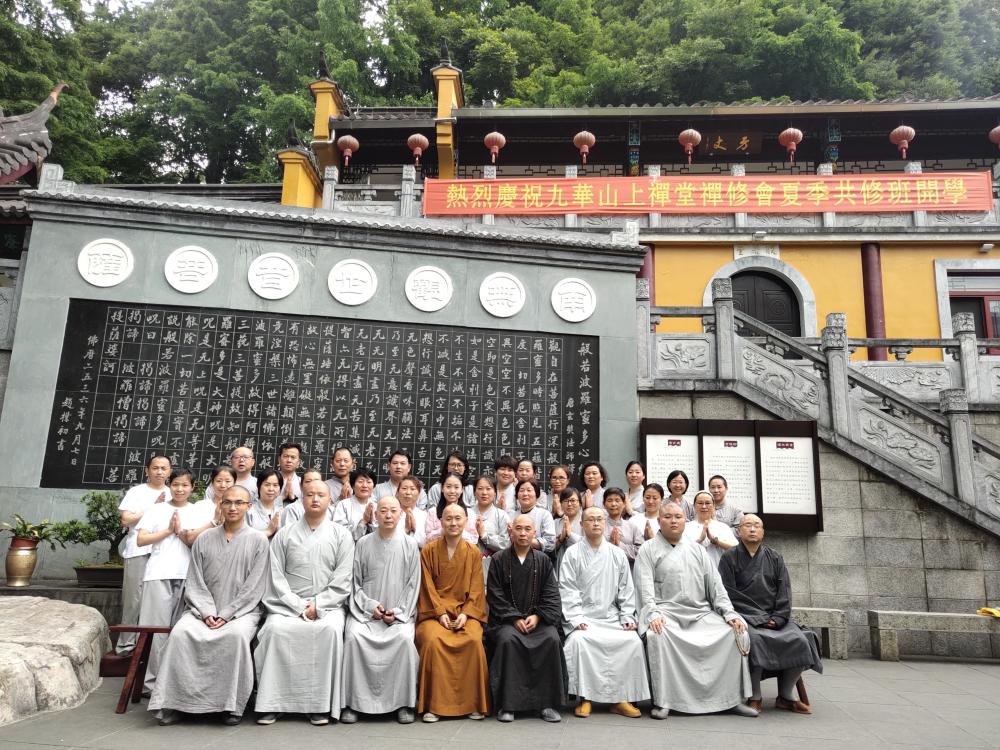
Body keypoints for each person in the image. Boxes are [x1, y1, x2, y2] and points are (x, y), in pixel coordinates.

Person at [150, 486, 269, 726]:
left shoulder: (258, 540)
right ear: (220, 506)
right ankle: (175, 702)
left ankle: (230, 706)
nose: (233, 507)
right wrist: (207, 613)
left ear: (249, 507)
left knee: (235, 638)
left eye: (239, 503)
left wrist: (225, 614)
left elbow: (254, 586)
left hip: (240, 613)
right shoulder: (205, 538)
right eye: (227, 502)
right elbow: (195, 581)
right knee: (181, 634)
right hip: (201, 610)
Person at [634, 502, 755, 720]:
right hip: (666, 613)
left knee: (735, 633)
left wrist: (729, 613)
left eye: (678, 517)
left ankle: (731, 699)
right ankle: (665, 700)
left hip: (700, 613)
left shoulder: (698, 550)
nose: (673, 521)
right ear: (659, 520)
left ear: (685, 521)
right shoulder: (648, 549)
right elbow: (644, 588)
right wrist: (652, 614)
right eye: (668, 517)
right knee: (657, 635)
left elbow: (716, 587)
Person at [254, 482, 354, 726]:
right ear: (302, 499)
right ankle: (272, 703)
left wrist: (319, 605)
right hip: (287, 605)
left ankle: (318, 705)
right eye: (310, 494)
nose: (315, 499)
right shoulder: (285, 534)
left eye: (321, 495)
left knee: (329, 630)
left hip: (327, 606)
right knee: (275, 630)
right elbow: (275, 576)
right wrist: (297, 606)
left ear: (331, 500)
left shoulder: (342, 535)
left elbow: (343, 577)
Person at [719, 514, 822, 715]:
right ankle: (755, 696)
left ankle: (785, 695)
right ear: (739, 531)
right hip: (745, 617)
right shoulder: (729, 557)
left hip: (774, 617)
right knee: (755, 641)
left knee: (802, 639)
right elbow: (726, 592)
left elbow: (785, 591)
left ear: (763, 532)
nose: (752, 529)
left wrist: (778, 618)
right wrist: (755, 618)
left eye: (757, 525)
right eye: (747, 525)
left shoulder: (775, 557)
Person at [560, 506, 649, 719]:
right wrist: (576, 618)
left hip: (611, 616)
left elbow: (627, 590)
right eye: (591, 519)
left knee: (632, 642)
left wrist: (627, 616)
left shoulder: (617, 554)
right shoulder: (572, 554)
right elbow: (567, 588)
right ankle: (585, 698)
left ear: (605, 523)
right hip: (584, 617)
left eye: (600, 519)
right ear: (581, 525)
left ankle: (621, 699)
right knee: (579, 642)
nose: (596, 523)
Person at [341, 496, 421, 725]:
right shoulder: (363, 543)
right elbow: (354, 583)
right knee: (353, 637)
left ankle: (403, 703)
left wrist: (397, 612)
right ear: (375, 515)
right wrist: (369, 606)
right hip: (366, 614)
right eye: (383, 511)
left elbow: (413, 584)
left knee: (405, 639)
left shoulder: (410, 544)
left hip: (398, 615)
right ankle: (353, 702)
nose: (387, 515)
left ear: (401, 515)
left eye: (393, 511)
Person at [485, 513, 566, 723]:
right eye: (518, 529)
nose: (522, 533)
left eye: (527, 529)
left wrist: (538, 617)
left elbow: (551, 594)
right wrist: (513, 618)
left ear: (534, 533)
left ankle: (546, 704)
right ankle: (507, 705)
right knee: (507, 640)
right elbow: (494, 594)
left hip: (537, 620)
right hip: (507, 622)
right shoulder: (498, 559)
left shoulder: (543, 560)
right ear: (510, 531)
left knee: (551, 639)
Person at [415, 503, 490, 722]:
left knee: (474, 640)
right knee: (432, 641)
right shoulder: (428, 550)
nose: (453, 523)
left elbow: (477, 588)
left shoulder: (473, 552)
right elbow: (426, 587)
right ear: (440, 521)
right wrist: (439, 613)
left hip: (465, 612)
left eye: (458, 518)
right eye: (448, 518)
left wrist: (467, 614)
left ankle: (473, 704)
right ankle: (433, 705)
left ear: (466, 521)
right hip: (434, 614)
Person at [135, 468, 200, 693]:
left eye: (185, 485)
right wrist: (169, 531)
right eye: (176, 484)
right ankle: (150, 684)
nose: (180, 489)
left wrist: (184, 534)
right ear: (169, 485)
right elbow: (141, 539)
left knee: (181, 632)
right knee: (156, 631)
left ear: (192, 488)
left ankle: (174, 684)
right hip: (159, 573)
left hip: (187, 575)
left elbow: (198, 543)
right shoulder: (157, 510)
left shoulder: (196, 511)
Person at [116, 454, 171, 655]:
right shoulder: (137, 492)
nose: (159, 472)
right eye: (155, 468)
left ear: (169, 472)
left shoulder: (173, 492)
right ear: (147, 470)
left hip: (163, 552)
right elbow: (126, 519)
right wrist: (152, 508)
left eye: (164, 468)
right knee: (133, 599)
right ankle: (126, 644)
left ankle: (148, 646)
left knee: (155, 600)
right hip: (138, 550)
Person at [683, 490, 738, 568]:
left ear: (713, 506)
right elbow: (679, 550)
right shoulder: (686, 527)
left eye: (708, 503)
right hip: (692, 571)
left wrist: (717, 542)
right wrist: (699, 540)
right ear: (694, 506)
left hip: (718, 571)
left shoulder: (722, 527)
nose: (704, 506)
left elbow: (736, 549)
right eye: (700, 503)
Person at [183, 466, 236, 544]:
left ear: (234, 483)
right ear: (212, 483)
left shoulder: (241, 508)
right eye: (219, 481)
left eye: (228, 481)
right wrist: (214, 521)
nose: (223, 485)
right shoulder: (200, 506)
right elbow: (190, 538)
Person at [470, 475, 510, 578]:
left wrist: (484, 536)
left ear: (495, 492)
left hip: (494, 568)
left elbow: (506, 544)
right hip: (469, 565)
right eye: (480, 489)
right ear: (474, 492)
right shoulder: (467, 513)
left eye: (488, 489)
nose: (484, 493)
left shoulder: (502, 515)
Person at [425, 471, 479, 545]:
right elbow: (428, 538)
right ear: (442, 488)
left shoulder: (470, 513)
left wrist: (457, 531)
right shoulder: (432, 512)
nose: (452, 491)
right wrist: (443, 530)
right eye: (448, 487)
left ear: (462, 489)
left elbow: (474, 540)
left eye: (456, 487)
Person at [511, 478, 556, 553]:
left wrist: (522, 539)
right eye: (521, 490)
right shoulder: (511, 515)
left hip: (537, 560)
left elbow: (550, 543)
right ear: (517, 495)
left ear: (537, 494)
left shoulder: (544, 514)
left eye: (529, 490)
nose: (525, 494)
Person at [333, 467, 378, 541]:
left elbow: (382, 533)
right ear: (353, 485)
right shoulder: (343, 505)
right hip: (350, 549)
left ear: (374, 486)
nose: (364, 485)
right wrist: (363, 522)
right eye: (360, 481)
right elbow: (339, 532)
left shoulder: (377, 507)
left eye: (369, 482)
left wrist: (371, 522)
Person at [602, 487, 643, 563]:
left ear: (624, 504)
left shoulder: (632, 526)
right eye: (609, 500)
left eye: (617, 500)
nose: (613, 504)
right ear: (604, 504)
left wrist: (619, 545)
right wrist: (609, 545)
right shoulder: (599, 526)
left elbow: (641, 552)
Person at [553, 486, 583, 571]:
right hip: (561, 564)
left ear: (580, 503)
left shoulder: (586, 521)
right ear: (561, 504)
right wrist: (560, 539)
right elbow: (550, 548)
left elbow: (590, 544)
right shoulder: (555, 523)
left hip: (581, 564)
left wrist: (571, 535)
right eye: (565, 501)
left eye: (573, 500)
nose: (569, 504)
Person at [246, 468, 282, 538]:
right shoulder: (249, 511)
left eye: (275, 485)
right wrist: (268, 532)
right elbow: (243, 538)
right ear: (259, 486)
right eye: (267, 485)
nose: (271, 489)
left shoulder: (282, 512)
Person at [395, 474, 428, 547]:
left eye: (412, 489)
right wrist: (406, 530)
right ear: (397, 493)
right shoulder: (391, 513)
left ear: (419, 493)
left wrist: (414, 529)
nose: (408, 492)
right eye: (404, 488)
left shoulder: (424, 515)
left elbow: (425, 543)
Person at [277, 442, 304, 506]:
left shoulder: (303, 483)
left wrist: (293, 498)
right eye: (286, 456)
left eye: (293, 457)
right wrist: (282, 497)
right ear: (279, 460)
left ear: (298, 462)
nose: (289, 460)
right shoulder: (269, 481)